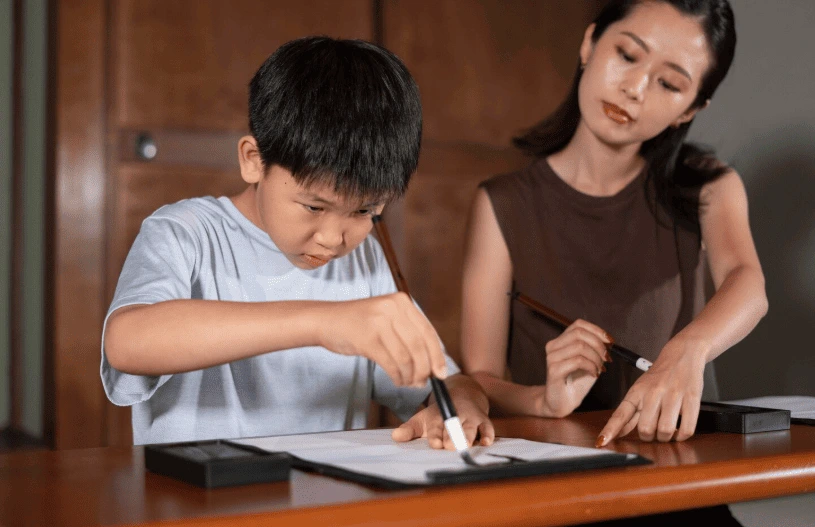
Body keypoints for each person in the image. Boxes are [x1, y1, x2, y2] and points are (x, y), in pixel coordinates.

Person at [101, 36, 494, 449]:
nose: (334, 239)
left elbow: (447, 382)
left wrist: (461, 405)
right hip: (200, 505)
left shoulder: (366, 261)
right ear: (253, 161)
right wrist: (323, 323)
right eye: (313, 206)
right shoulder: (186, 234)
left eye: (365, 212)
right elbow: (127, 343)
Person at [460, 0, 767, 473]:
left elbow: (748, 283)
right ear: (589, 43)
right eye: (627, 55)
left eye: (669, 83)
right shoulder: (503, 202)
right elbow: (479, 379)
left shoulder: (710, 185)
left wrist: (687, 351)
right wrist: (544, 400)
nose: (635, 89)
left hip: (677, 479)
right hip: (553, 481)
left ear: (691, 109)